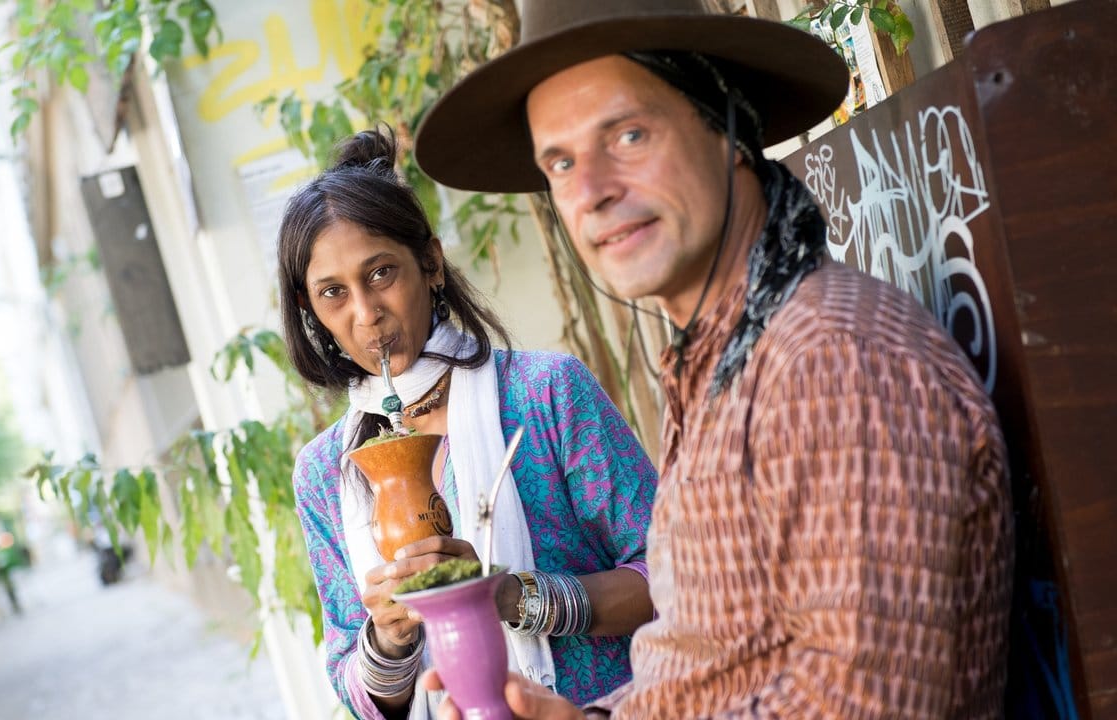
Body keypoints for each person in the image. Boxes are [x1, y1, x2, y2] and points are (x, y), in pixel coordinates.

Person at [413, 1, 1014, 718]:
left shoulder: (827, 361)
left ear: (728, 126)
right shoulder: (724, 360)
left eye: (628, 135)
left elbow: (865, 701)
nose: (593, 191)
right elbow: (717, 665)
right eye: (562, 162)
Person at [280, 126, 658, 720]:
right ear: (310, 311)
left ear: (430, 262)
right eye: (333, 293)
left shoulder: (544, 394)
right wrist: (389, 636)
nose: (366, 311)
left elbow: (674, 575)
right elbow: (356, 692)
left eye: (381, 273)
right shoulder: (327, 472)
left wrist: (512, 596)